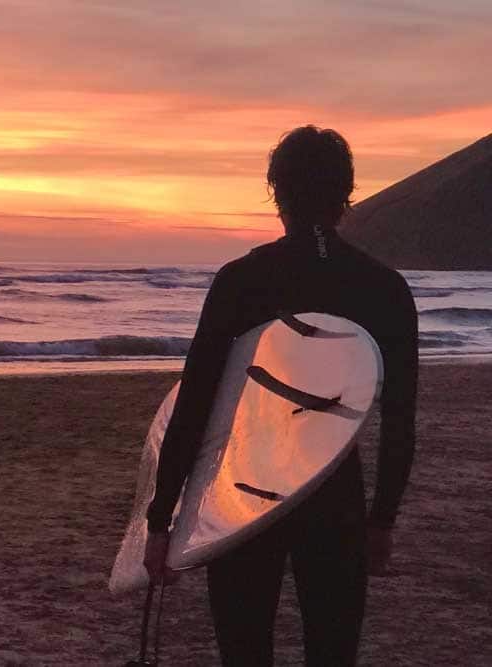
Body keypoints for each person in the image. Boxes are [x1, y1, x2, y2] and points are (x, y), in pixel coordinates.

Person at [142, 126, 418, 666]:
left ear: (276, 192)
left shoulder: (242, 280)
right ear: (347, 196)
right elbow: (400, 418)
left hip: (245, 490)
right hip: (335, 491)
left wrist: (160, 519)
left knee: (244, 654)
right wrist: (382, 518)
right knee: (332, 653)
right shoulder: (384, 288)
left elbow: (196, 404)